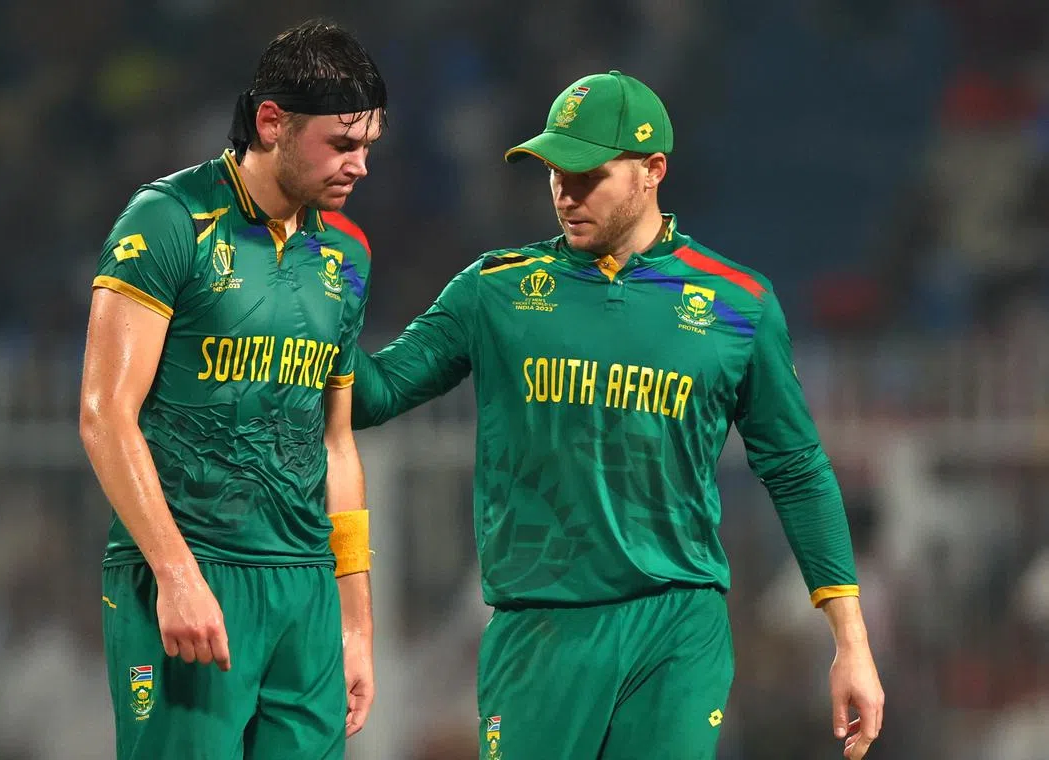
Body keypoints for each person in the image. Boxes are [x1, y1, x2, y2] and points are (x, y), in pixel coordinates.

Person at [351, 71, 884, 760]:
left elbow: (796, 468)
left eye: (587, 174)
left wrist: (852, 644)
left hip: (676, 623)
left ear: (652, 169)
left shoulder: (737, 304)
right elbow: (376, 392)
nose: (565, 193)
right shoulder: (496, 290)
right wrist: (315, 308)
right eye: (553, 173)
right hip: (540, 629)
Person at [79, 19, 384, 760]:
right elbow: (103, 414)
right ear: (272, 122)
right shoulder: (168, 221)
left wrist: (354, 620)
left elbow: (336, 442)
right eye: (343, 145)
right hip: (193, 573)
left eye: (369, 146)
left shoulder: (346, 253)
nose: (360, 167)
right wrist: (176, 574)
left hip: (305, 589)